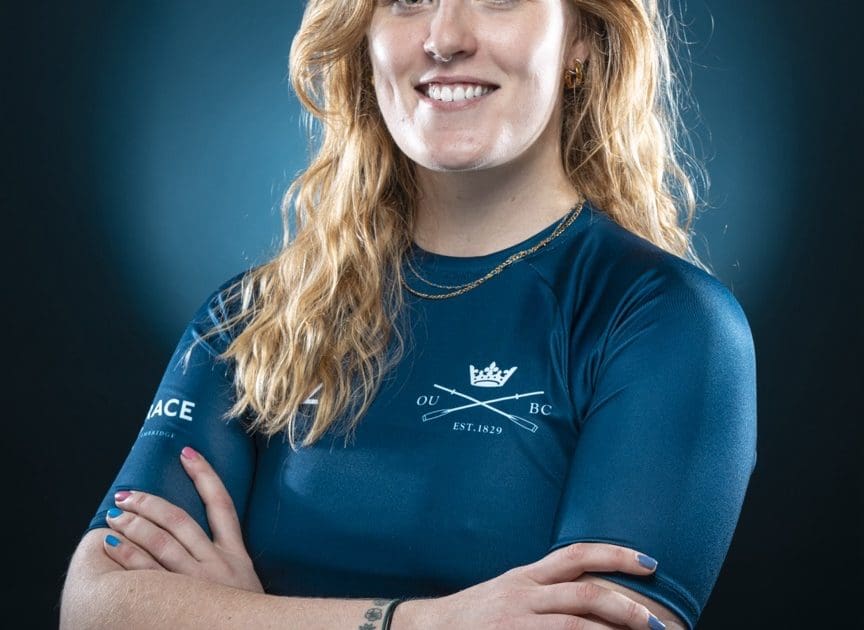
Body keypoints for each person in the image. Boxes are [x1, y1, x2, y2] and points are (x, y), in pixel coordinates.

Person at [60, 1, 757, 628]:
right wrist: (424, 621)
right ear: (364, 35)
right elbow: (94, 606)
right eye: (406, 0)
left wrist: (237, 616)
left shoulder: (665, 323)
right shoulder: (256, 317)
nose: (445, 37)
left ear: (580, 37)